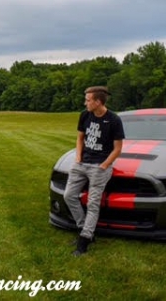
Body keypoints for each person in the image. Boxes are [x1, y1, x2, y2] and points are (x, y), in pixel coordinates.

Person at [63, 86, 125, 256]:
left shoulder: (114, 120)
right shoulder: (85, 115)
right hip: (81, 164)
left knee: (92, 203)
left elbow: (118, 148)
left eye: (88, 100)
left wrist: (104, 165)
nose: (85, 103)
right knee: (68, 195)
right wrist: (78, 158)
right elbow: (80, 138)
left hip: (100, 167)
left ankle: (83, 241)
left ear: (98, 102)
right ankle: (85, 228)